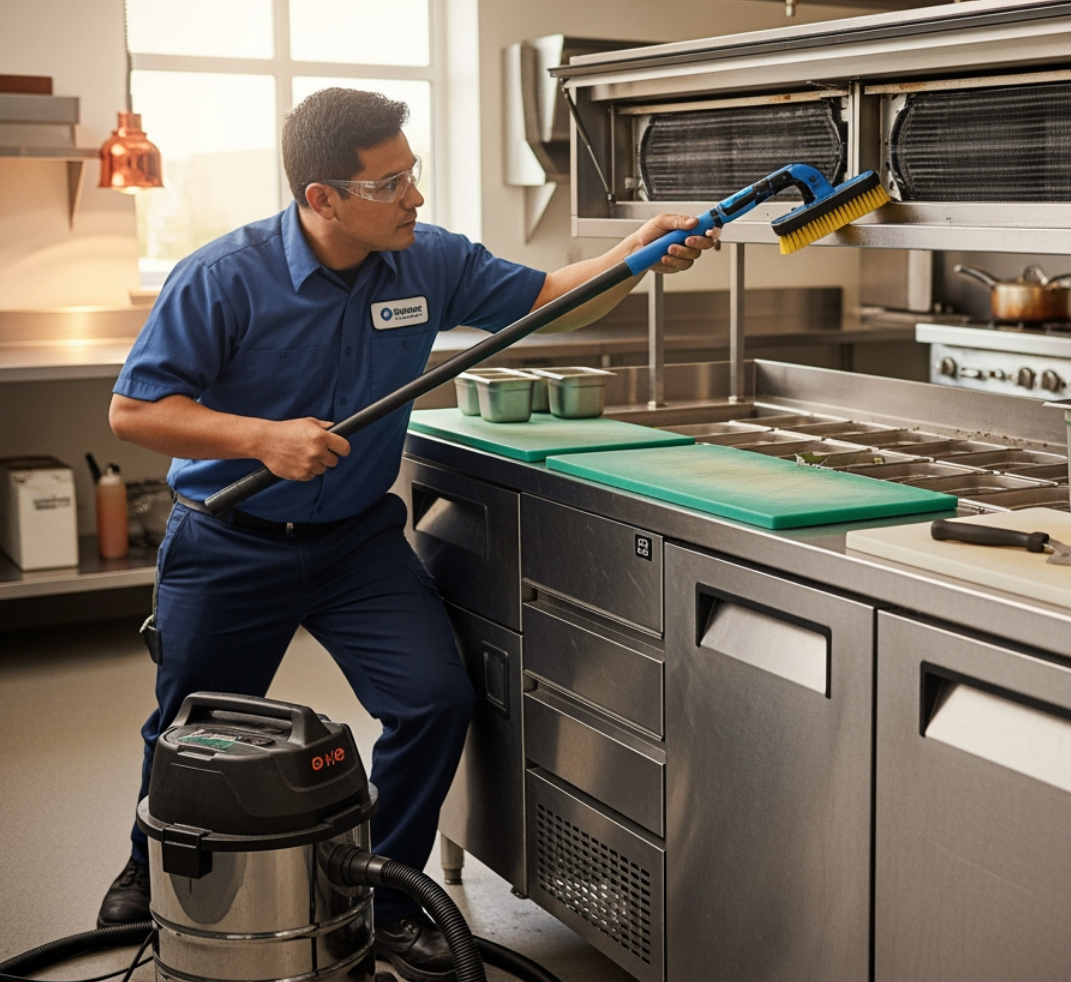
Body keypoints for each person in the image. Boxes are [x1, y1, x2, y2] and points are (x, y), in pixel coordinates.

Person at [97, 87, 715, 981]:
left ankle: (384, 900)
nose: (415, 198)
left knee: (434, 700)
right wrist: (262, 439)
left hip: (355, 545)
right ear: (322, 198)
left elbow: (544, 301)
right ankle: (146, 859)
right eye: (390, 183)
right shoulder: (223, 277)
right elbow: (133, 412)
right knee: (188, 727)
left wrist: (636, 254)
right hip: (228, 540)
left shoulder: (426, 261)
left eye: (412, 174)